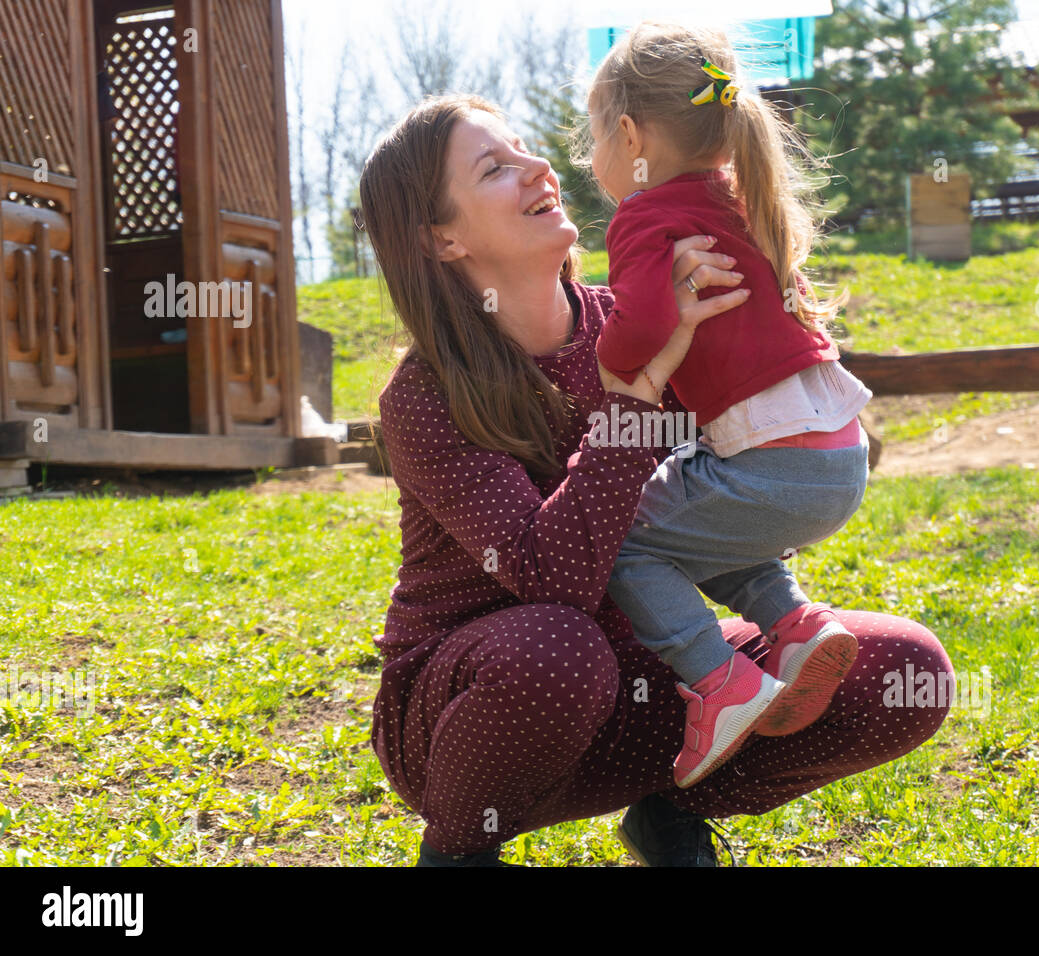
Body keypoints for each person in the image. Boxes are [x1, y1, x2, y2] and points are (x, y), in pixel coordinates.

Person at [358, 92, 954, 867]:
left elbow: (728, 479)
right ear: (441, 237)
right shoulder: (425, 395)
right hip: (484, 708)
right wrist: (636, 397)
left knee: (904, 671)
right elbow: (552, 578)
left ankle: (671, 809)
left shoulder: (648, 312)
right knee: (559, 646)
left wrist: (767, 314)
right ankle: (460, 853)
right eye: (495, 168)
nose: (540, 166)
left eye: (524, 148)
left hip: (659, 675)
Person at [583, 22, 875, 789]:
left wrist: (606, 358)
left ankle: (720, 683)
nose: (589, 161)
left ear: (628, 132)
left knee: (625, 540)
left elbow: (644, 326)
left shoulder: (645, 216)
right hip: (839, 457)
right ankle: (796, 623)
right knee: (703, 518)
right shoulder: (744, 198)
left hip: (773, 467)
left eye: (592, 139)